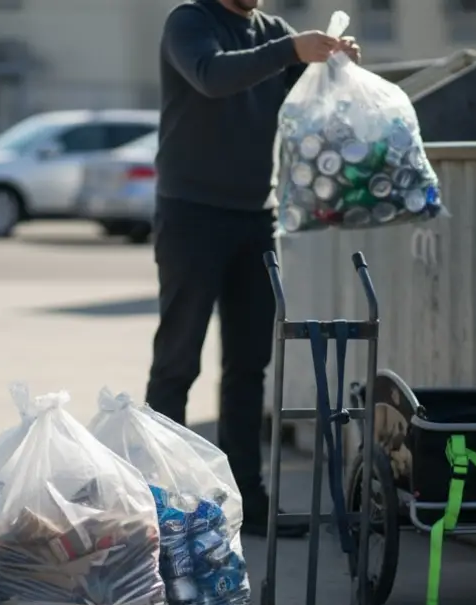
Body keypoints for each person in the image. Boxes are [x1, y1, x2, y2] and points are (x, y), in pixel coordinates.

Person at [145, 0, 361, 537]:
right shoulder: (190, 22)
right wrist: (291, 50)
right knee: (177, 362)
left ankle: (246, 501)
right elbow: (212, 76)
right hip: (191, 214)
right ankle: (160, 501)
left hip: (255, 218)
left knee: (249, 368)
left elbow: (309, 104)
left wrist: (335, 66)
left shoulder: (272, 32)